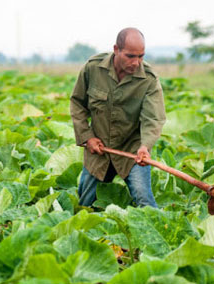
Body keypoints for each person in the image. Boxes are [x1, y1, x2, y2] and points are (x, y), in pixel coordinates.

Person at [70, 28, 166, 208]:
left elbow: (153, 118)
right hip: (99, 149)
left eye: (141, 56)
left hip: (132, 150)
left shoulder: (149, 79)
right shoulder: (93, 68)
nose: (136, 62)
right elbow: (77, 104)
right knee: (85, 203)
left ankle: (159, 232)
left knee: (143, 197)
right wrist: (87, 137)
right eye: (130, 56)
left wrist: (145, 146)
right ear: (116, 49)